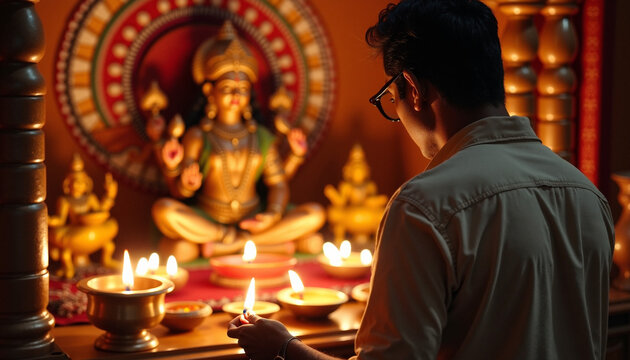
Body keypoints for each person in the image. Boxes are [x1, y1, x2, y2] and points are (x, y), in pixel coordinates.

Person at [227, 0, 615, 359]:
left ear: (413, 89)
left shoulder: (425, 207)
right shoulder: (586, 194)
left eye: (390, 99)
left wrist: (284, 347)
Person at [145, 21, 325, 262]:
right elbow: (179, 194)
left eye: (243, 89)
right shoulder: (198, 136)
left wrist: (271, 214)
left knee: (315, 214)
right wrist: (185, 181)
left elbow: (278, 184)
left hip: (255, 218)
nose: (236, 95)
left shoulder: (260, 136)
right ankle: (250, 242)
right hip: (210, 219)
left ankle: (233, 244)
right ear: (210, 92)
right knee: (164, 211)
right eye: (228, 88)